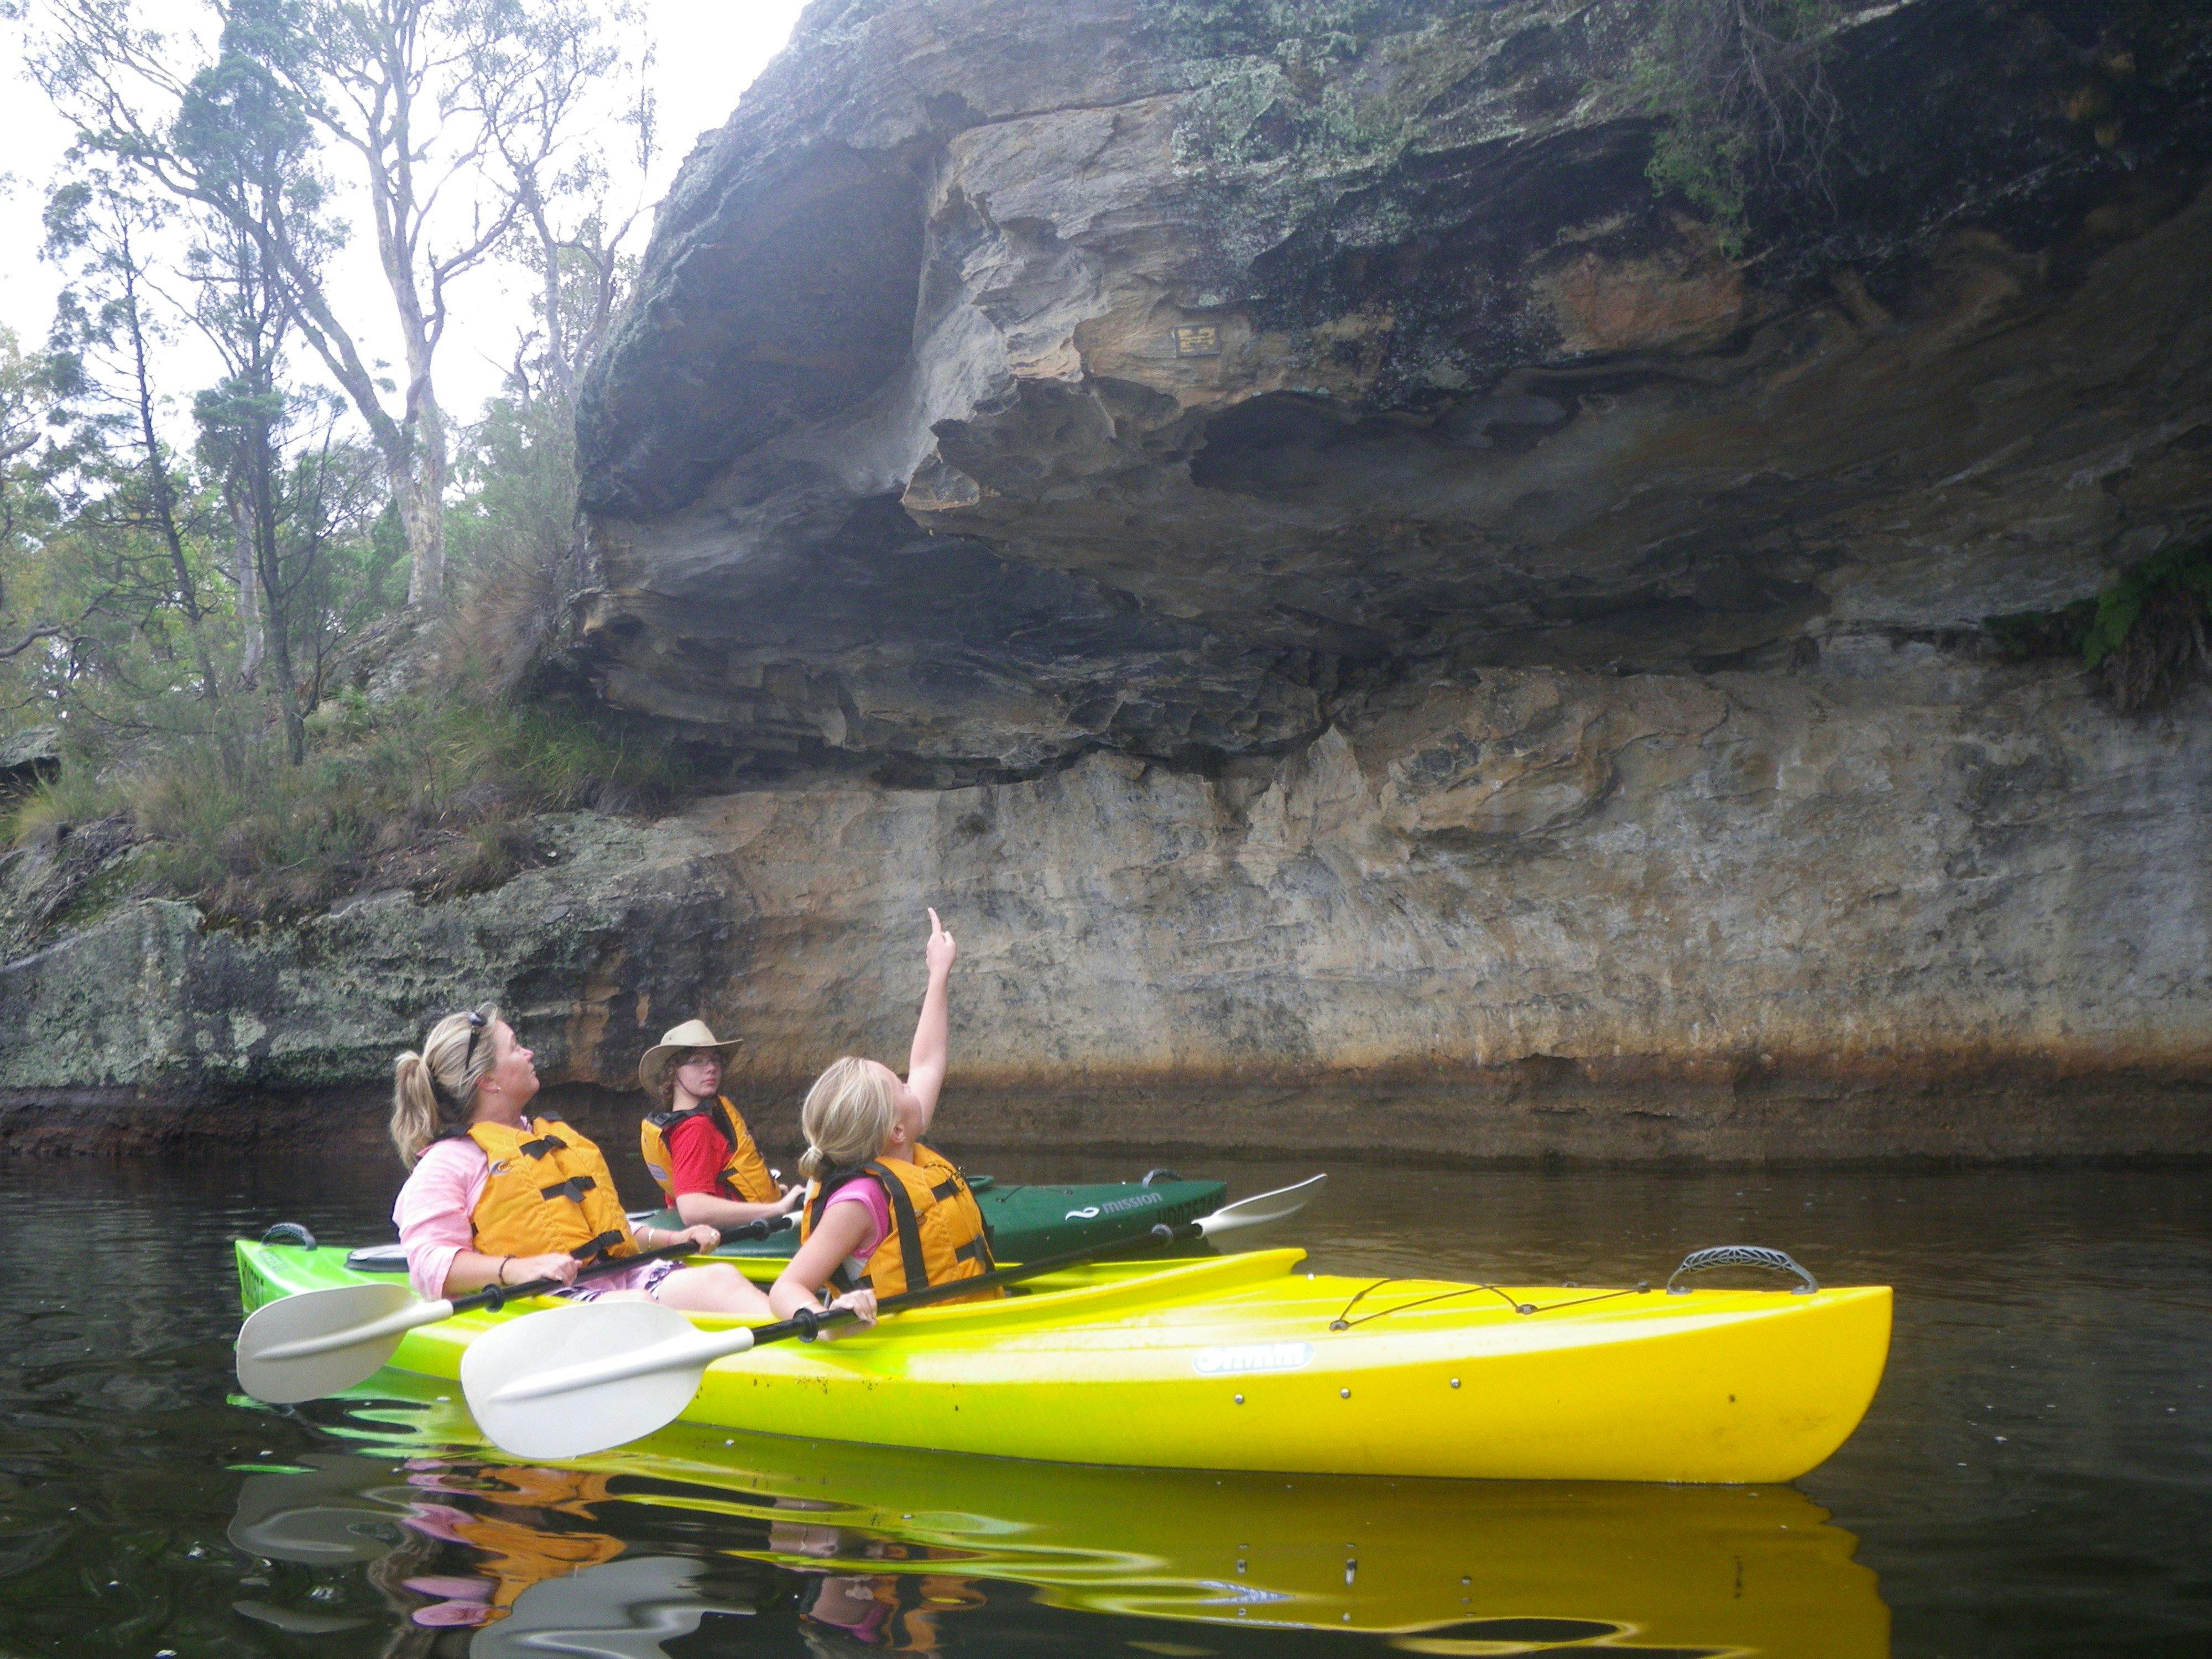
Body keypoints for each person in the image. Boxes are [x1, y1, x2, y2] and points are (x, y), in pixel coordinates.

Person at [388, 1003, 775, 1317]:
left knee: (720, 1279)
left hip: (618, 1277)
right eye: (515, 1047)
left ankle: (804, 1345)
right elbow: (428, 1264)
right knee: (639, 1312)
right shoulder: (447, 1164)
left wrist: (672, 1238)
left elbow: (605, 1226)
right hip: (535, 1299)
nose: (529, 1053)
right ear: (488, 1081)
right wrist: (514, 1269)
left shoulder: (545, 1136)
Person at [769, 909, 995, 1332]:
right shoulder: (859, 1202)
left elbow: (928, 1061)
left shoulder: (901, 1141)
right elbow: (786, 1289)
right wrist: (830, 1317)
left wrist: (939, 973)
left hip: (968, 1326)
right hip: (906, 1347)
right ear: (895, 1130)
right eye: (903, 1087)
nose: (914, 1085)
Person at [635, 1020, 805, 1231]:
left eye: (715, 1060)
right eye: (697, 1061)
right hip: (728, 1240)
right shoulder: (694, 1129)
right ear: (672, 1073)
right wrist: (777, 1208)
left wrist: (769, 1194)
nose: (712, 1068)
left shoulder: (702, 1118)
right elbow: (693, 1210)